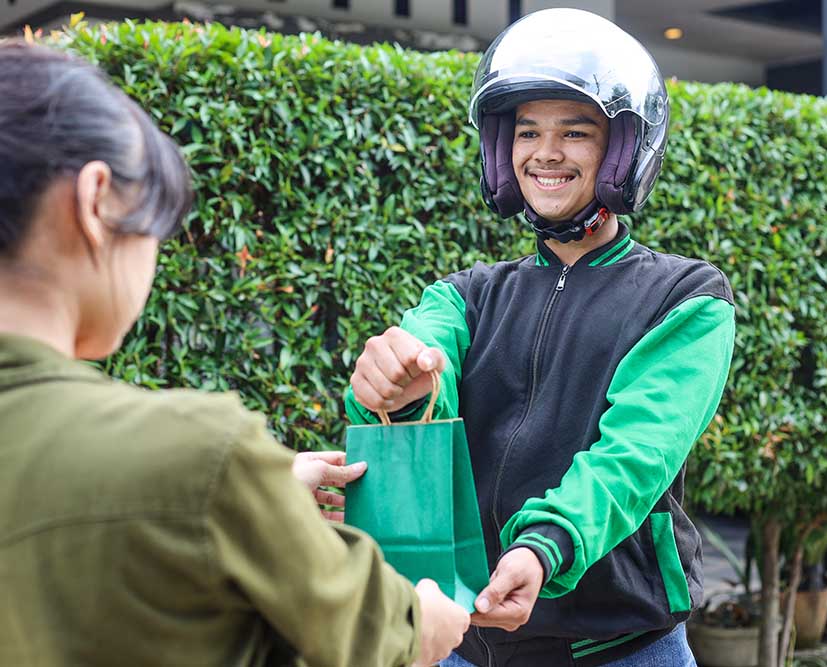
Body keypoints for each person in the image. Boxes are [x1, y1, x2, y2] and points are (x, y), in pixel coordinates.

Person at [0, 41, 470, 667]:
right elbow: (379, 632)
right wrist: (427, 621)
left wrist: (256, 491)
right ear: (96, 201)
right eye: (157, 226)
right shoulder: (201, 453)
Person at [346, 9, 736, 667]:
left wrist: (543, 544)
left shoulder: (686, 299)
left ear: (620, 152)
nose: (545, 153)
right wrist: (397, 386)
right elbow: (421, 360)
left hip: (622, 649)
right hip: (462, 645)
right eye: (527, 132)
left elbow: (635, 455)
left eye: (575, 132)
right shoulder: (466, 295)